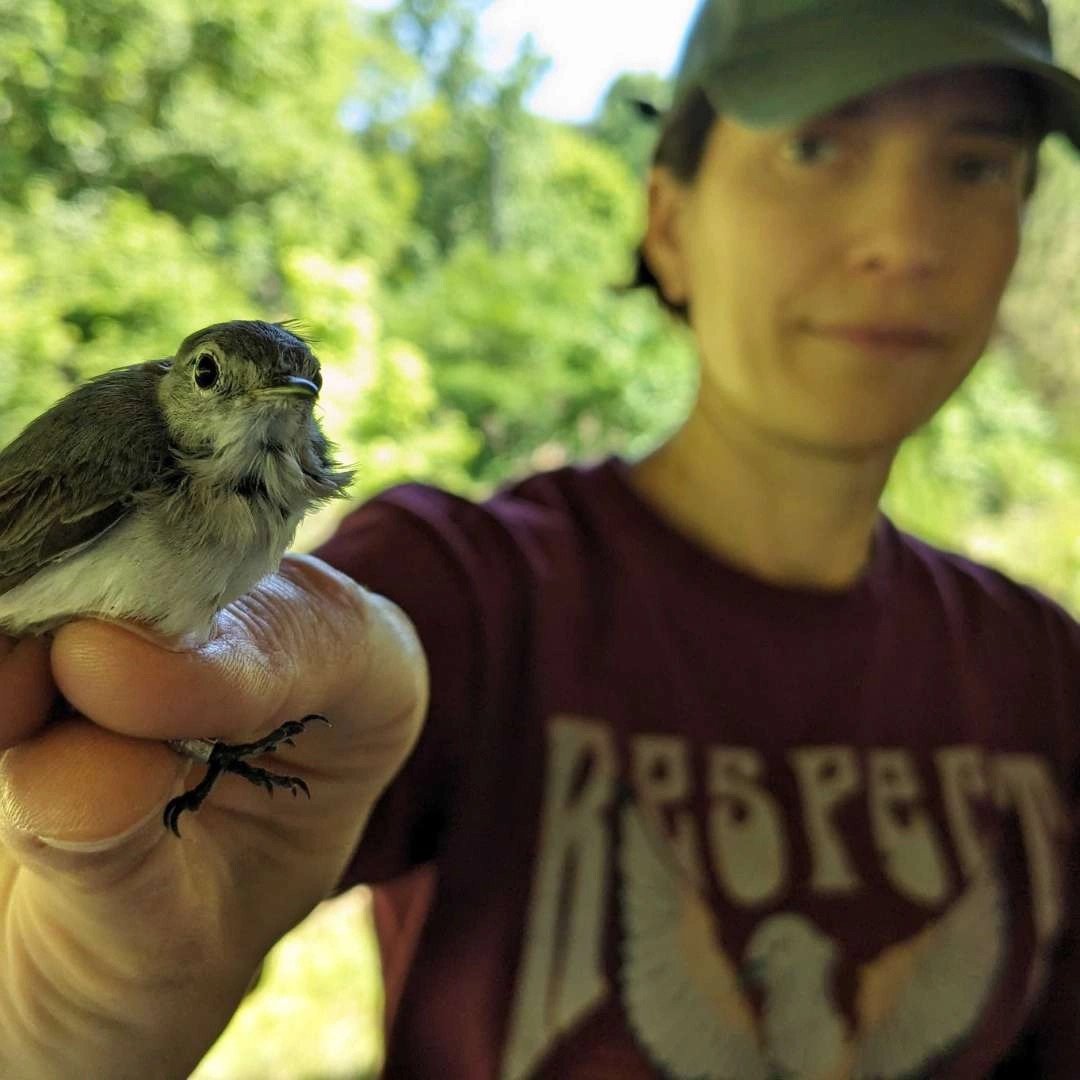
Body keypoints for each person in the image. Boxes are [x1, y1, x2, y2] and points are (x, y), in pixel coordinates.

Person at [0, 0, 1078, 1078]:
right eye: (815, 146)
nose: (903, 240)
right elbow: (130, 865)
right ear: (668, 223)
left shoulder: (1047, 672)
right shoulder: (452, 595)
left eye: (977, 166)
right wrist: (57, 1033)